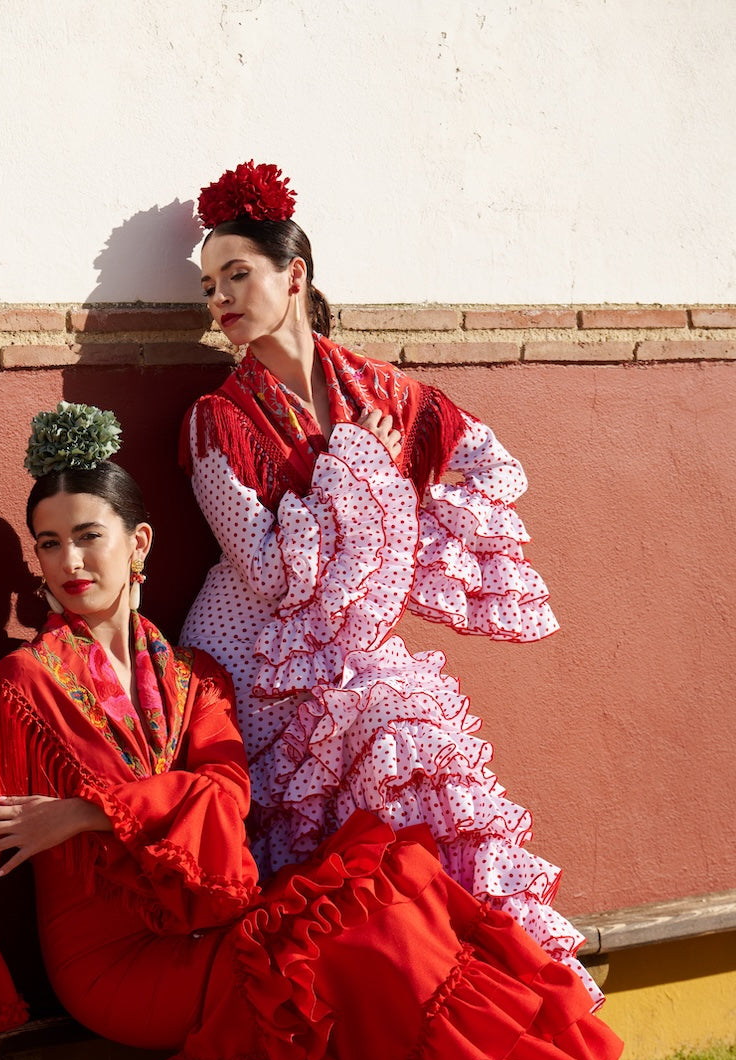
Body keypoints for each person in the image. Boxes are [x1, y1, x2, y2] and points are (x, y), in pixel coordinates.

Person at [0, 403, 692, 1060]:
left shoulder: (192, 680)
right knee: (373, 933)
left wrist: (90, 812)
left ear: (138, 545)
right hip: (119, 962)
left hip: (214, 923)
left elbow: (225, 797)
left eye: (87, 537)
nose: (69, 564)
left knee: (401, 899)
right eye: (48, 544)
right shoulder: (22, 688)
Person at [180, 161, 598, 1002]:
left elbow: (485, 464)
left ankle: (498, 999)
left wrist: (394, 503)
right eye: (208, 284)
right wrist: (357, 463)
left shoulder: (374, 388)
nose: (220, 298)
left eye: (237, 274)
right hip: (250, 664)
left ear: (293, 276)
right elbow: (265, 572)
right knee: (384, 746)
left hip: (347, 659)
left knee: (419, 752)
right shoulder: (216, 418)